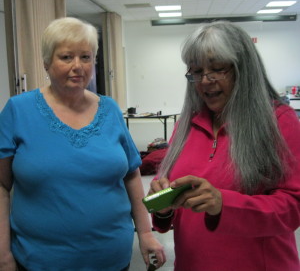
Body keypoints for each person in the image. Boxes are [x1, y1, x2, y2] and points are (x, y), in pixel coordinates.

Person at [0, 17, 166, 271]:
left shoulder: (109, 109)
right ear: (46, 62)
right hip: (40, 261)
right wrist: (3, 254)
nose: (78, 66)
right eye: (66, 57)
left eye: (86, 57)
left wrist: (145, 233)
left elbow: (131, 175)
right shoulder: (18, 110)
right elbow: (1, 185)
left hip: (111, 258)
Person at [148, 21, 300, 271]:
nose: (205, 81)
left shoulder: (280, 121)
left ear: (245, 70)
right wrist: (162, 207)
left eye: (217, 69)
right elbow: (174, 213)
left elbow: (293, 207)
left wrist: (223, 204)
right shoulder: (186, 125)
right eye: (196, 72)